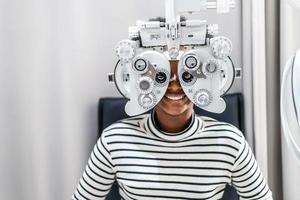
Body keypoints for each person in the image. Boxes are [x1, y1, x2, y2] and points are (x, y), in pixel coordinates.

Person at [72, 60, 273, 200]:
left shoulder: (229, 141)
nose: (175, 86)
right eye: (162, 75)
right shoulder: (114, 140)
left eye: (187, 75)